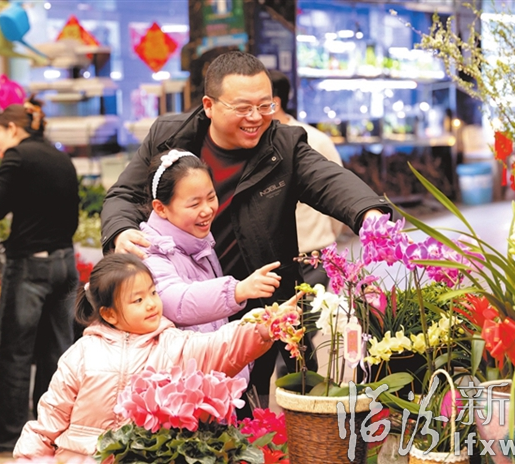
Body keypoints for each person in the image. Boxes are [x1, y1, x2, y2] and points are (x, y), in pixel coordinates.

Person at [101, 51, 391, 409]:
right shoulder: (169, 136)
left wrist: (369, 214)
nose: (256, 117)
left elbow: (329, 180)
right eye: (242, 108)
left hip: (255, 303)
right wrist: (120, 231)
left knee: (248, 405)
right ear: (209, 105)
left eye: (265, 105)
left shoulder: (283, 146)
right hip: (181, 305)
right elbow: (124, 194)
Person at [12, 253, 292, 460]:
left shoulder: (173, 344)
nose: (151, 304)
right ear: (109, 314)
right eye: (137, 300)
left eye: (153, 293)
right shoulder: (81, 354)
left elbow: (220, 346)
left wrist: (264, 326)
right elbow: (47, 423)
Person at [0, 98, 80, 453]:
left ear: (12, 128)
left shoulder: (17, 157)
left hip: (30, 265)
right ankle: (48, 434)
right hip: (65, 263)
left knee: (16, 352)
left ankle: (6, 436)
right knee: (57, 352)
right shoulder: (60, 156)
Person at [140, 149, 281, 335]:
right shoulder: (148, 252)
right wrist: (237, 290)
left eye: (211, 197)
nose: (207, 210)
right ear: (160, 208)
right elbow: (178, 302)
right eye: (194, 204)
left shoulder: (199, 241)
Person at [268, 69, 344, 288]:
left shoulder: (315, 141)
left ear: (275, 103)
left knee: (310, 310)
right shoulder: (254, 142)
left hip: (312, 255)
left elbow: (337, 195)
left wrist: (328, 236)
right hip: (271, 261)